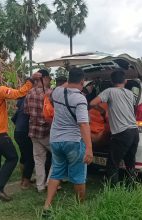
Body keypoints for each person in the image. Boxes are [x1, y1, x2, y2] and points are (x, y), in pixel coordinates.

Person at [0, 62, 41, 201]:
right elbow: (19, 94)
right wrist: (30, 80)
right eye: (0, 73)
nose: (1, 76)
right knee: (12, 158)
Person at [43, 67, 93, 211]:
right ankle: (80, 208)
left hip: (55, 140)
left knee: (56, 172)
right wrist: (89, 148)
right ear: (82, 81)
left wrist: (69, 82)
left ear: (68, 79)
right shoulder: (80, 98)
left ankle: (47, 205)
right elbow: (83, 124)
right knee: (78, 175)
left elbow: (65, 86)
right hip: (73, 142)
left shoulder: (57, 92)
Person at [90, 69, 139, 185]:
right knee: (130, 163)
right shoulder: (130, 93)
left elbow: (92, 103)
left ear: (112, 81)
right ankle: (132, 188)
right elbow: (133, 108)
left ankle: (114, 192)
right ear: (125, 81)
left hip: (121, 133)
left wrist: (102, 111)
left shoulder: (109, 91)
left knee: (112, 164)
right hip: (134, 132)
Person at [24, 69, 53, 193]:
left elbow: (26, 111)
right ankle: (49, 183)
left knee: (39, 159)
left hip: (33, 131)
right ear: (45, 78)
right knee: (57, 156)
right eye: (49, 78)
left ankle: (40, 186)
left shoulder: (29, 93)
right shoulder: (49, 93)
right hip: (46, 131)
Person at [12, 96, 34, 189]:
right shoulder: (34, 99)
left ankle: (23, 178)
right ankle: (25, 182)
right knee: (30, 157)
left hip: (18, 131)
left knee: (24, 155)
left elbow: (13, 118)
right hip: (26, 131)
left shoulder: (23, 99)